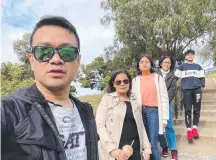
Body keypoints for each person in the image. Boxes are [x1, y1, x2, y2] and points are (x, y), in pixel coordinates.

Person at [1, 16, 98, 160]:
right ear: (32, 60)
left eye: (67, 52)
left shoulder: (86, 111)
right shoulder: (10, 110)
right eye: (44, 52)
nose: (56, 59)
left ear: (78, 61)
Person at [96, 69, 151, 160]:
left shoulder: (135, 101)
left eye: (125, 81)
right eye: (118, 82)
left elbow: (141, 127)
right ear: (113, 84)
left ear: (129, 83)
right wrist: (112, 149)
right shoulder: (107, 99)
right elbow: (100, 126)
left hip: (135, 148)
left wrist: (147, 149)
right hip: (116, 150)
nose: (122, 84)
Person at [132, 55, 169, 160]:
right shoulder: (135, 80)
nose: (144, 63)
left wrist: (164, 119)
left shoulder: (157, 78)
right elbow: (132, 98)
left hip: (153, 112)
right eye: (141, 62)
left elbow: (164, 98)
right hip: (139, 112)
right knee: (144, 143)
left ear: (151, 64)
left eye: (147, 61)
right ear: (138, 65)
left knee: (153, 142)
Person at [174, 49, 205, 143]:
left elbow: (202, 78)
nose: (190, 56)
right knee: (187, 110)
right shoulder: (182, 67)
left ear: (194, 56)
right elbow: (175, 78)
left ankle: (195, 128)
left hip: (197, 90)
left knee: (196, 109)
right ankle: (189, 129)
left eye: (192, 54)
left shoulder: (198, 67)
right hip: (186, 91)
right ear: (185, 57)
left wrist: (201, 86)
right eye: (188, 55)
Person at [157, 56, 178, 160]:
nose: (167, 64)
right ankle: (164, 146)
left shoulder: (173, 77)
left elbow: (172, 92)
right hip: (153, 104)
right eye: (165, 62)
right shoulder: (155, 74)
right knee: (156, 126)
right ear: (161, 63)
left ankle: (173, 149)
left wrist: (163, 103)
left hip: (166, 104)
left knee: (169, 127)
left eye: (169, 63)